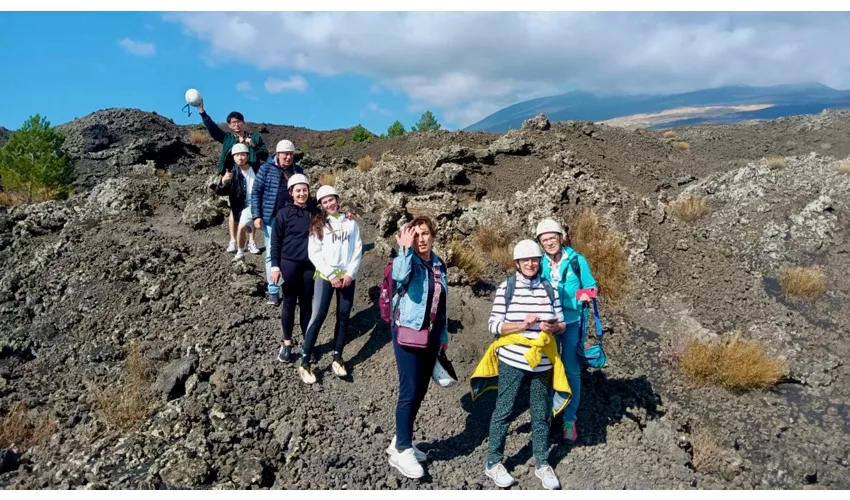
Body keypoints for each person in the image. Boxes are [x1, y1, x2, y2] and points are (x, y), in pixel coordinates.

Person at [472, 239, 569, 490]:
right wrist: (521, 325)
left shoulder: (550, 289)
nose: (530, 264)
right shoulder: (508, 287)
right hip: (512, 359)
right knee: (504, 410)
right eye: (525, 260)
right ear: (517, 262)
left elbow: (562, 324)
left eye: (534, 259)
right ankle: (493, 462)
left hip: (542, 362)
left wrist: (553, 327)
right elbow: (494, 324)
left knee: (540, 414)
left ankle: (543, 464)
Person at [385, 216, 449, 480]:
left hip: (430, 335)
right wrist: (404, 248)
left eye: (426, 234)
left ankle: (402, 439)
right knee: (409, 390)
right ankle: (401, 450)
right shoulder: (408, 259)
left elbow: (443, 301)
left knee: (421, 390)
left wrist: (443, 334)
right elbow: (399, 276)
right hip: (407, 332)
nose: (422, 239)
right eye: (417, 234)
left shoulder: (438, 263)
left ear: (433, 236)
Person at [536, 218, 597, 444]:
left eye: (553, 237)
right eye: (545, 240)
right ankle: (548, 414)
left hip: (572, 323)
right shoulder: (539, 262)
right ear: (540, 243)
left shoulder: (576, 261)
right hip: (548, 325)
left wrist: (578, 298)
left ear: (561, 237)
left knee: (571, 369)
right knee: (547, 368)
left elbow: (592, 289)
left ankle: (569, 419)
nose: (550, 242)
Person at [298, 185, 363, 384]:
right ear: (322, 205)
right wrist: (331, 274)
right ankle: (305, 361)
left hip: (346, 278)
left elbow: (357, 249)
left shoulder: (351, 223)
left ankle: (338, 357)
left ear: (337, 199)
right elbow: (314, 253)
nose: (329, 204)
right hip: (326, 277)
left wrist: (350, 274)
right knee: (318, 316)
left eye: (331, 199)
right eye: (325, 202)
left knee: (344, 316)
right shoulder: (318, 224)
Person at [196, 99, 268, 254]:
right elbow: (213, 130)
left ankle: (251, 242)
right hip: (232, 175)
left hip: (251, 173)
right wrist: (202, 112)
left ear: (244, 123)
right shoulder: (228, 138)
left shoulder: (254, 138)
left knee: (251, 207)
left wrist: (252, 145)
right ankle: (233, 241)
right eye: (233, 122)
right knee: (233, 209)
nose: (237, 125)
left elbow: (265, 155)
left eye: (239, 122)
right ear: (229, 125)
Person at [270, 174, 319, 364]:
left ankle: (307, 344)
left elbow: (332, 223)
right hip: (288, 264)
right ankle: (287, 343)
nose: (302, 193)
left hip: (309, 265)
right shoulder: (283, 214)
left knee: (307, 305)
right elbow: (275, 242)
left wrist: (346, 217)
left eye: (304, 190)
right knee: (289, 303)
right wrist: (275, 267)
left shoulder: (314, 212)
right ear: (291, 193)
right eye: (298, 190)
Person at [252, 139, 305, 305]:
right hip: (272, 218)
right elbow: (256, 192)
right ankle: (273, 291)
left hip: (293, 218)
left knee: (291, 254)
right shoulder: (266, 168)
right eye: (284, 154)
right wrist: (257, 216)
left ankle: (291, 288)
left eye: (290, 154)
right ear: (278, 154)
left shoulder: (297, 170)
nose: (287, 157)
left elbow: (304, 194)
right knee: (271, 253)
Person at [214, 143, 260, 261]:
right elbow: (220, 192)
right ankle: (240, 249)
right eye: (237, 155)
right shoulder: (232, 173)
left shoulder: (257, 168)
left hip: (257, 202)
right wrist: (223, 182)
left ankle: (250, 243)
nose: (240, 157)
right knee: (242, 225)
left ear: (247, 156)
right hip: (241, 204)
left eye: (242, 155)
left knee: (251, 224)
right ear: (233, 157)